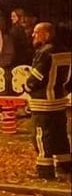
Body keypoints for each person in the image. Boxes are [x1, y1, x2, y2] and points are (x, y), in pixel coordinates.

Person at [23, 22, 72, 180]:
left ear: (47, 34)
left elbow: (35, 79)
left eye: (37, 33)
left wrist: (26, 87)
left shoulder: (44, 53)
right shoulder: (66, 51)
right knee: (60, 136)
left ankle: (45, 171)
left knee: (42, 136)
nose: (33, 35)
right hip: (59, 100)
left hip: (42, 102)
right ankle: (65, 167)